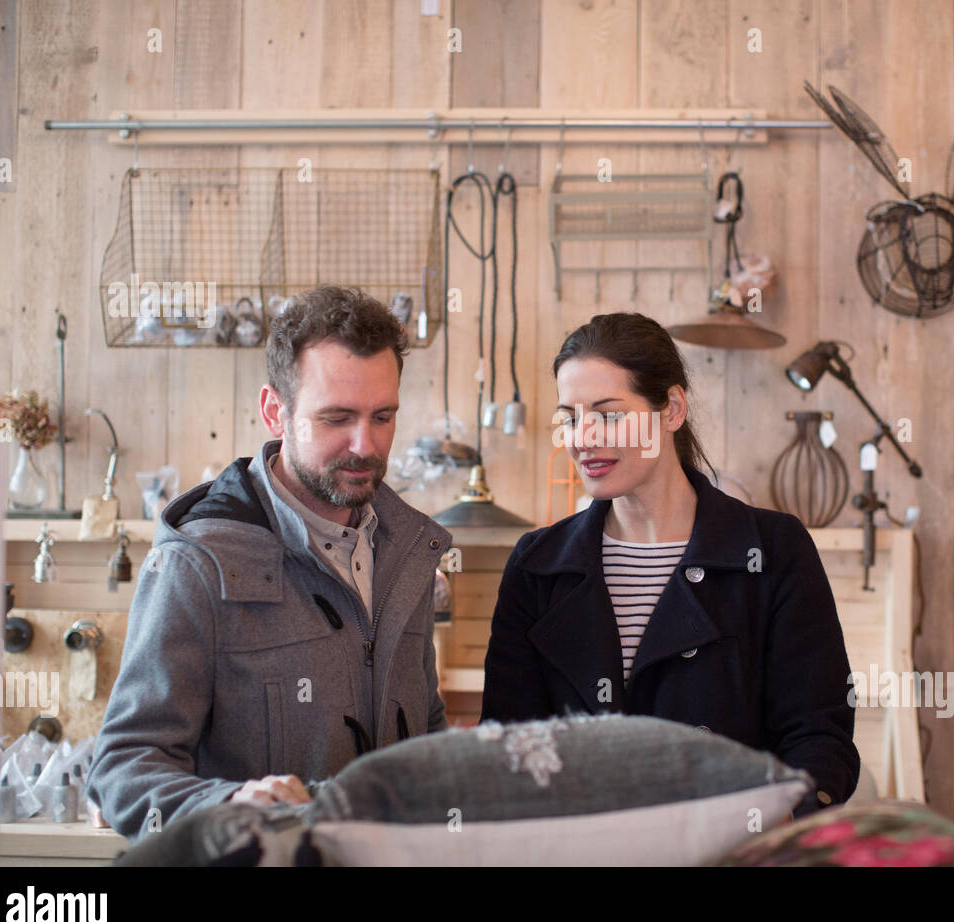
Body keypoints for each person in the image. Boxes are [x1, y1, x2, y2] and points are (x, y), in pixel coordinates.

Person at [88, 286, 452, 841]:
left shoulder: (408, 549)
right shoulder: (199, 563)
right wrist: (232, 803)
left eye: (383, 416)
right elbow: (124, 768)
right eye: (336, 418)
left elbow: (425, 727)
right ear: (273, 411)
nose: (365, 444)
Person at [481, 312, 859, 815]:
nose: (581, 437)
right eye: (570, 417)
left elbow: (820, 736)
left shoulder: (773, 551)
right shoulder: (537, 565)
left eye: (608, 414)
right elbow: (507, 746)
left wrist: (774, 823)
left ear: (672, 409)